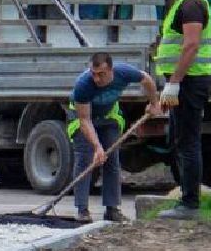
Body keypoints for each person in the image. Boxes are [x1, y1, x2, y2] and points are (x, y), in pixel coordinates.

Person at [152, 0, 211, 220]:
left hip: (189, 82)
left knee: (188, 143)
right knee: (179, 141)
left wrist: (174, 83)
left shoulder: (191, 4)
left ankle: (190, 205)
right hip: (182, 82)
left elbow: (191, 46)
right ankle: (186, 199)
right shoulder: (179, 3)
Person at [67, 52, 160, 224]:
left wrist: (154, 103)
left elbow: (146, 79)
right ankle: (82, 210)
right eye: (93, 73)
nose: (96, 79)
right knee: (85, 159)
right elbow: (85, 120)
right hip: (84, 118)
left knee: (112, 161)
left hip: (109, 116)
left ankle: (112, 209)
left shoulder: (123, 72)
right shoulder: (83, 84)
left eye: (101, 74)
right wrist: (97, 147)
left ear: (111, 70)